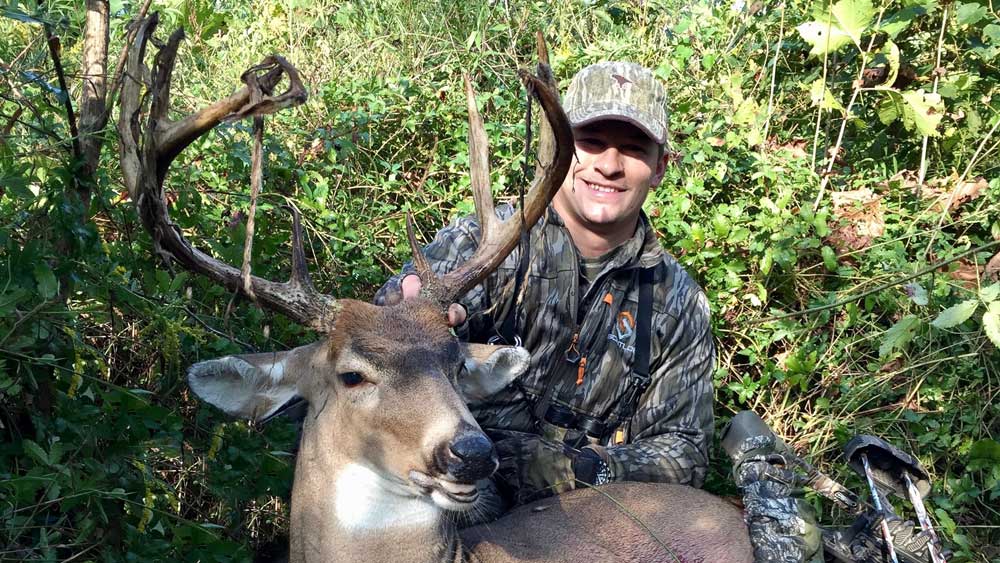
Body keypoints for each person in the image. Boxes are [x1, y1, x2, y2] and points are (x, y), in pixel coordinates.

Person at [376, 61, 714, 518]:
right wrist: (412, 308)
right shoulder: (485, 242)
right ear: (558, 148)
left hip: (584, 513)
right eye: (590, 142)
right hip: (452, 489)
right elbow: (392, 330)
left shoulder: (677, 300)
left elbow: (684, 449)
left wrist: (587, 468)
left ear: (659, 169)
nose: (609, 166)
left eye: (634, 150)